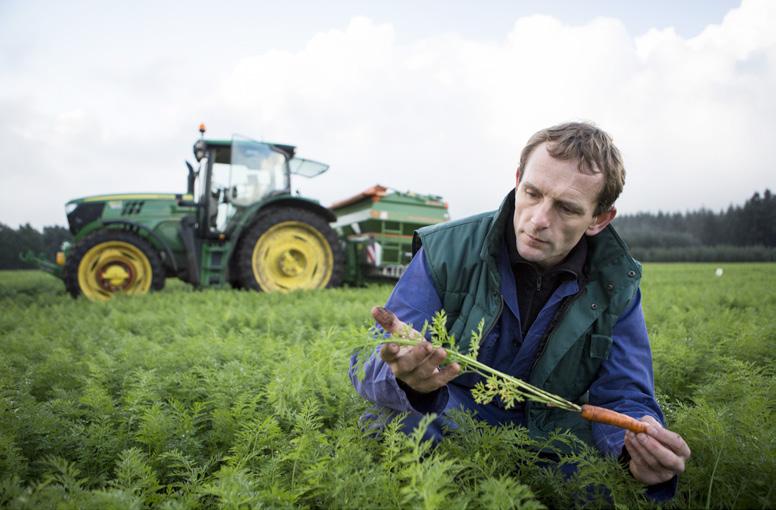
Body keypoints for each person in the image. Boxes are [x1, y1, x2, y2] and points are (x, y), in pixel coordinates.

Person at [349, 122, 691, 500]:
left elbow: (626, 393)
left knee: (609, 486)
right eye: (531, 193)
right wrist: (404, 374)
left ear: (599, 219)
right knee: (397, 429)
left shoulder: (616, 283)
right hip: (452, 415)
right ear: (517, 179)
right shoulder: (448, 250)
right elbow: (369, 358)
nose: (539, 219)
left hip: (551, 439)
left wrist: (635, 446)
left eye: (566, 208)